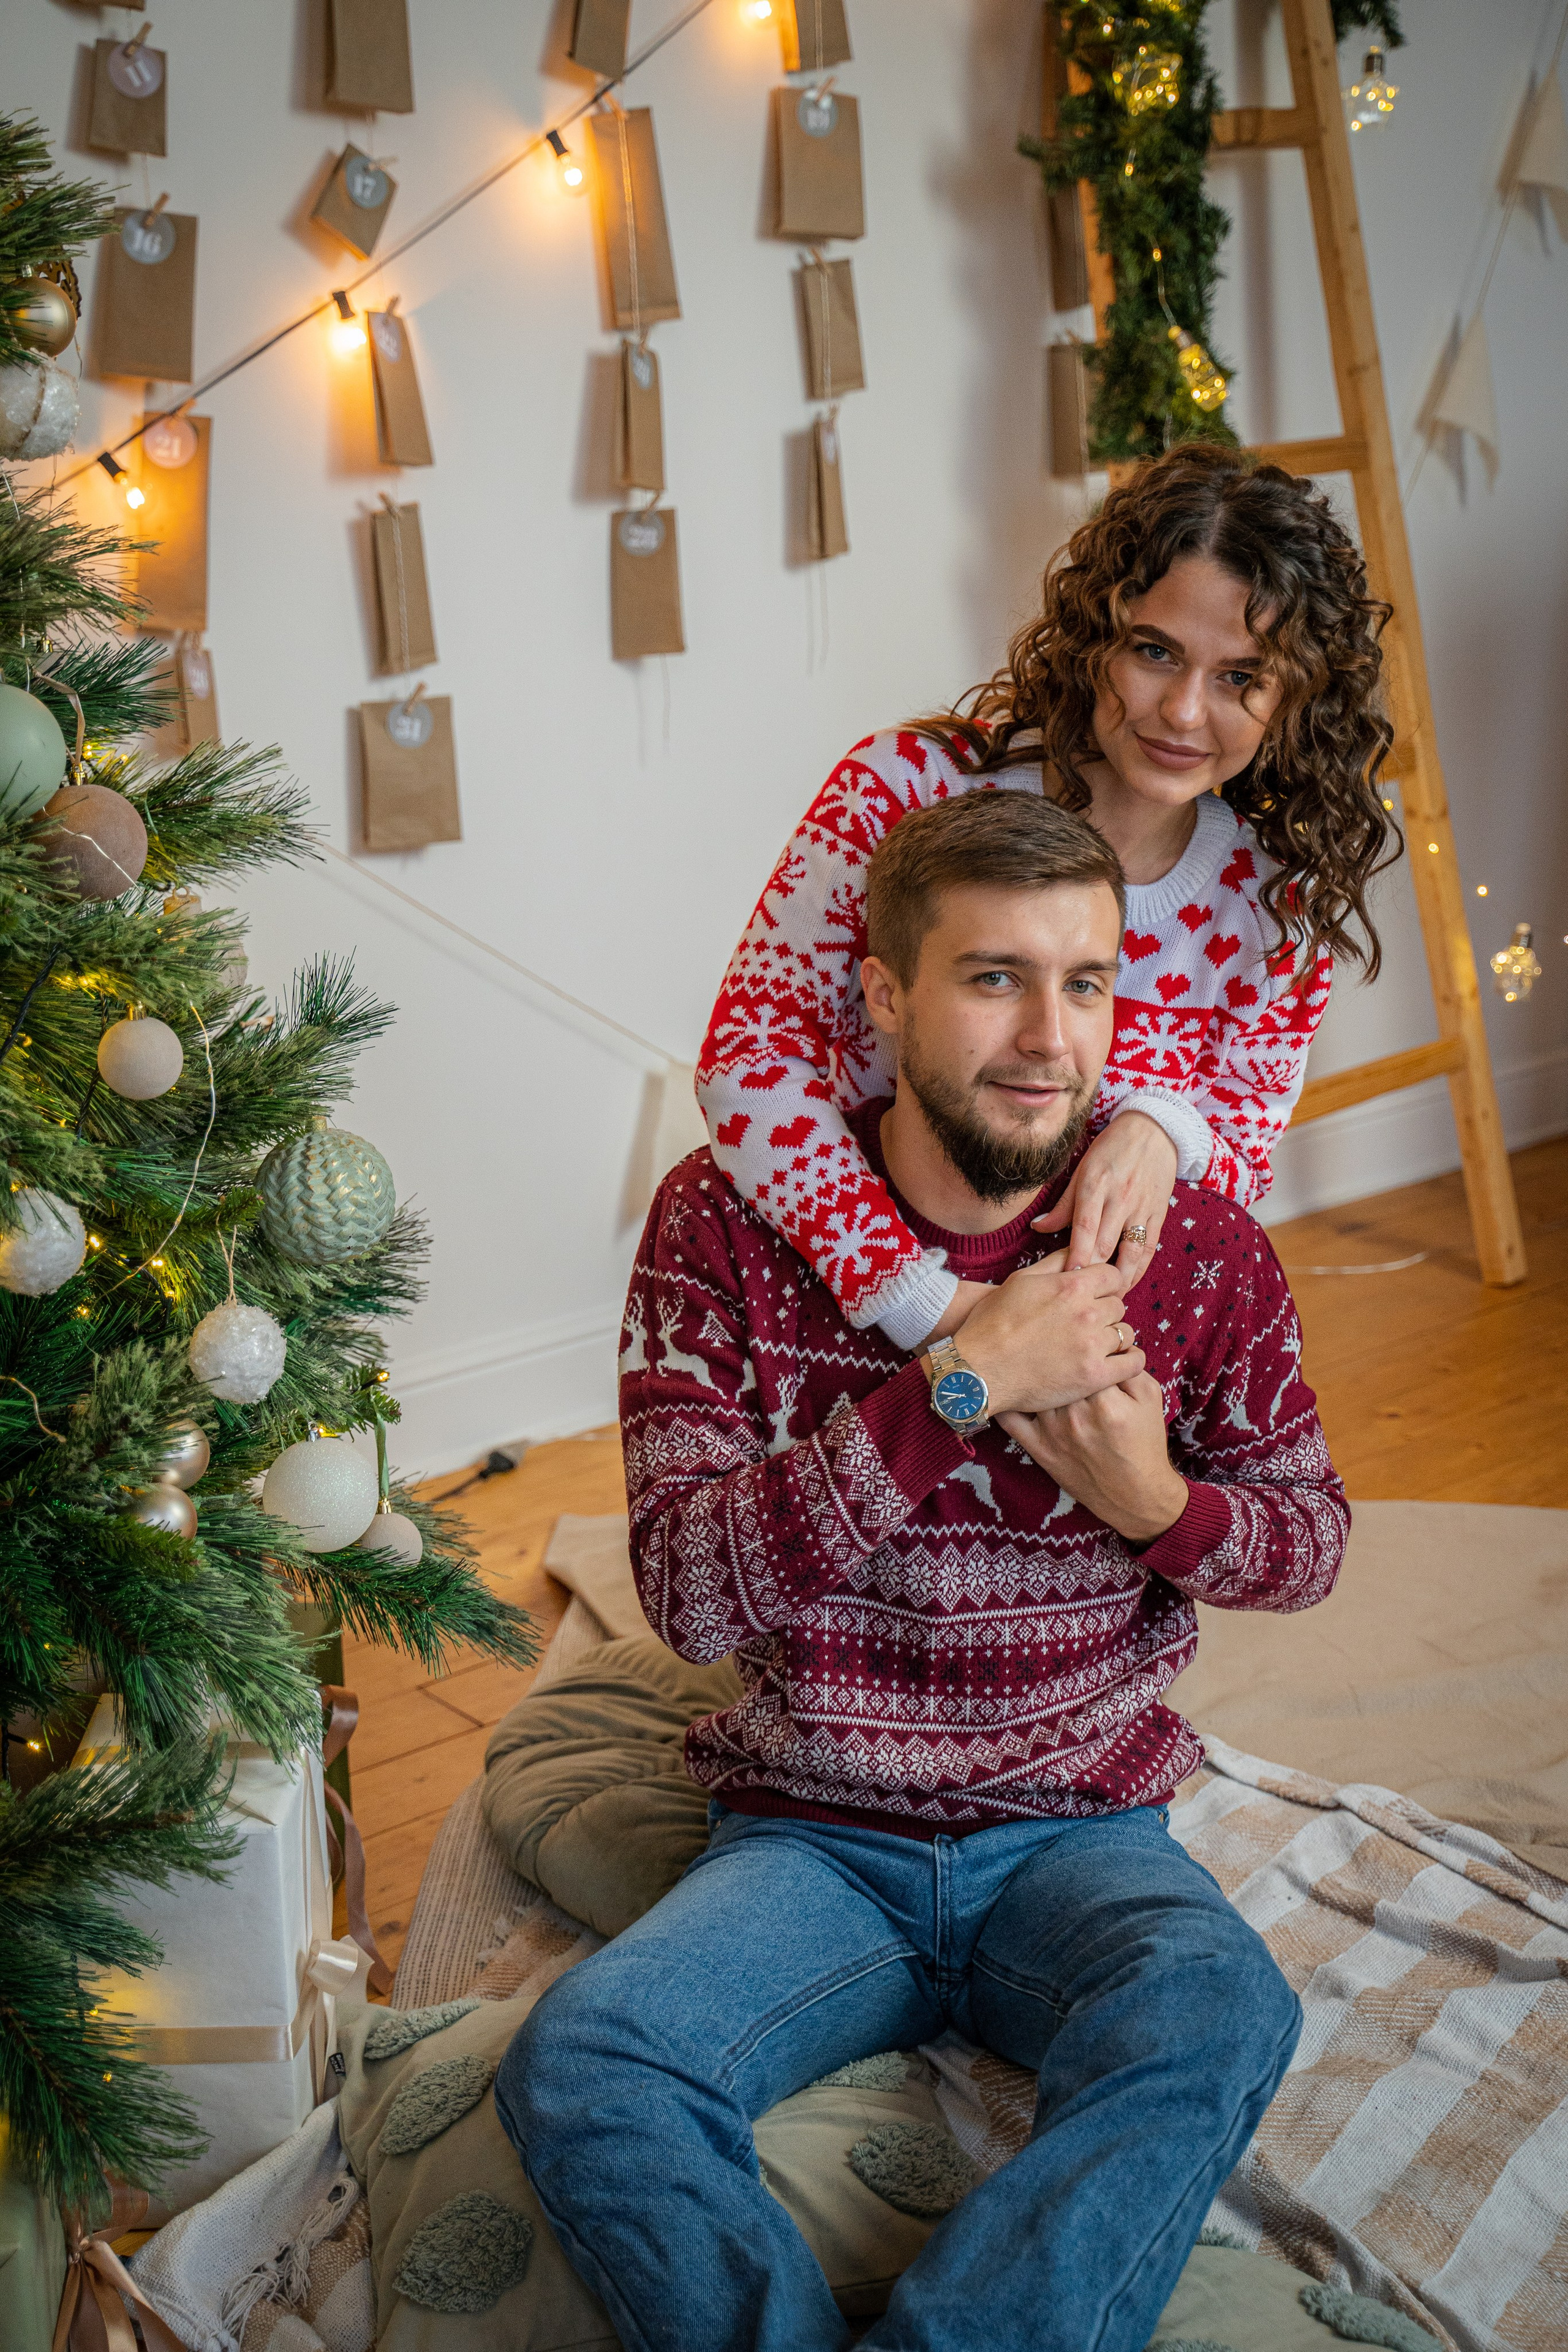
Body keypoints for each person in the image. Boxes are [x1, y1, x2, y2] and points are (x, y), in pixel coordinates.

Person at [496, 791, 1349, 2352]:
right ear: (884, 996)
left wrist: (1153, 1499)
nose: (1048, 1037)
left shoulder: (1195, 1246)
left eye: (1084, 982)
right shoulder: (722, 1225)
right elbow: (687, 1595)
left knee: (1222, 2012)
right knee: (586, 2065)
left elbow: (1309, 1540)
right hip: (809, 1841)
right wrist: (957, 1386)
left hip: (1080, 1828)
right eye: (991, 979)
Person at [697, 442, 1398, 1352]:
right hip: (857, 1298)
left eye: (1240, 677)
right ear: (1094, 636)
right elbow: (750, 1059)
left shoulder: (1274, 901)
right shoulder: (898, 790)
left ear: (1296, 698)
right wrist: (930, 1310)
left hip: (1094, 1322)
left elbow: (1244, 1140)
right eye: (1155, 651)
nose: (1185, 713)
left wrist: (1163, 1129)